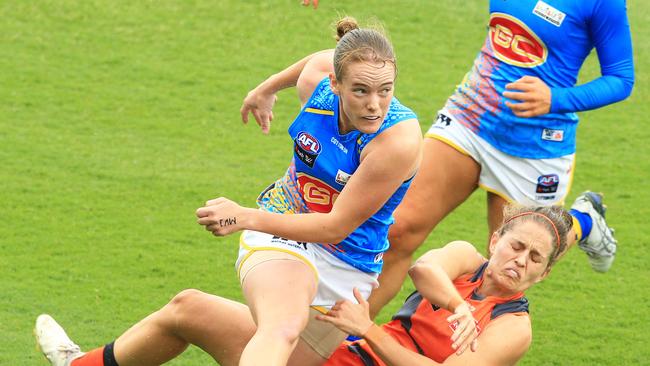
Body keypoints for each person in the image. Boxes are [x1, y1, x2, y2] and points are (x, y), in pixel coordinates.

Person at [35, 17, 422, 366]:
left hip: (346, 269)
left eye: (385, 91)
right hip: (284, 228)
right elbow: (316, 61)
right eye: (360, 91)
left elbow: (335, 227)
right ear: (335, 84)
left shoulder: (396, 142)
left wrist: (244, 216)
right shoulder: (318, 84)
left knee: (189, 311)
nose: (374, 105)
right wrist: (265, 89)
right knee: (280, 326)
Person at [346, 0, 634, 316]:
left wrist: (556, 98)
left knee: (505, 267)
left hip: (535, 148)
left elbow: (621, 78)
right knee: (397, 229)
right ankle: (347, 339)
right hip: (469, 117)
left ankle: (583, 222)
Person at [35, 204, 571, 366]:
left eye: (534, 260)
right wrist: (455, 302)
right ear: (497, 237)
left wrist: (372, 332)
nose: (519, 262)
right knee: (189, 308)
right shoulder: (465, 261)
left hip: (357, 346)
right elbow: (422, 267)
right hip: (343, 351)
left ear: (544, 274)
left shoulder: (513, 327)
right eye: (516, 246)